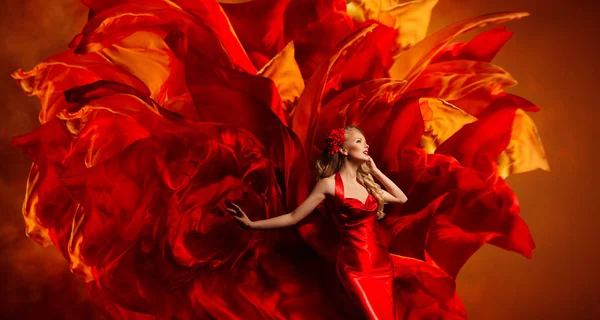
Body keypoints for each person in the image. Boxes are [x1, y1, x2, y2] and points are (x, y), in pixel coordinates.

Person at [227, 125, 408, 320]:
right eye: (359, 141)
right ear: (344, 150)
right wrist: (252, 225)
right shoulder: (329, 184)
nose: (366, 145)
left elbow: (401, 198)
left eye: (364, 141)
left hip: (382, 263)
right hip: (356, 267)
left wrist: (375, 171)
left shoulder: (367, 185)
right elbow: (294, 216)